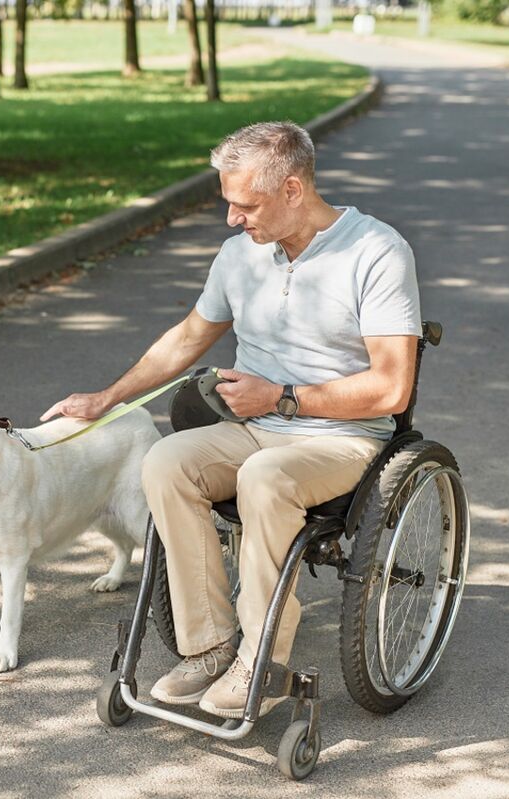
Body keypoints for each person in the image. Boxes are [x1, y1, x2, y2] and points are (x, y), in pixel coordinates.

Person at [40, 121, 422, 719]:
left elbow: (392, 386)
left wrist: (282, 397)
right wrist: (106, 397)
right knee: (164, 461)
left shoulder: (376, 251)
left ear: (293, 189)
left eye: (246, 204)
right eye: (228, 202)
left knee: (265, 478)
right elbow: (190, 336)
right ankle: (211, 647)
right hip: (253, 425)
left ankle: (260, 661)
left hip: (342, 437)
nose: (232, 218)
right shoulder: (241, 254)